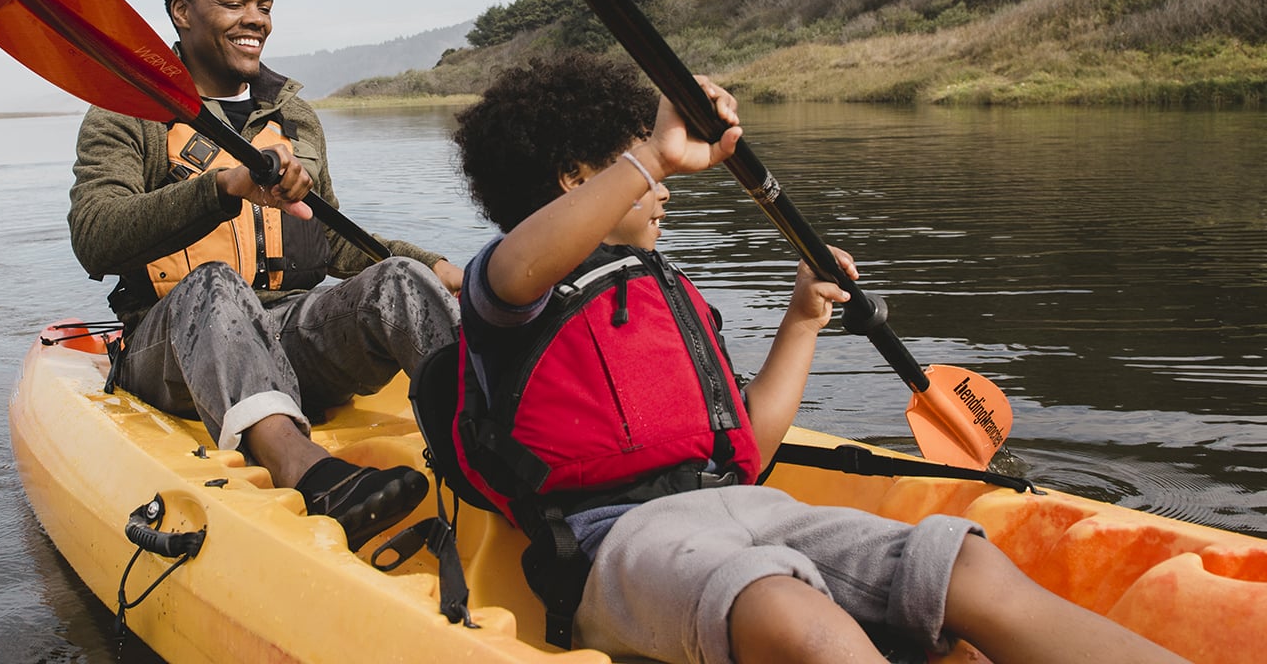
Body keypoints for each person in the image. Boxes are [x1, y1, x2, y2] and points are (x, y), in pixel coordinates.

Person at [447, 53, 1186, 663]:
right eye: (639, 166)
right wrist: (651, 158)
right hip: (616, 543)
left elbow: (748, 451)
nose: (664, 190)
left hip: (747, 508)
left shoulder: (670, 297)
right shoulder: (514, 294)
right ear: (582, 179)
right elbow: (513, 274)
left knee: (965, 564)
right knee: (789, 615)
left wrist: (802, 320)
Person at [68, 0, 462, 551]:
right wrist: (224, 186)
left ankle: (492, 446)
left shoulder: (294, 115)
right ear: (182, 12)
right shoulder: (125, 112)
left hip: (287, 330)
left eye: (265, 5)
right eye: (235, 3)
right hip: (170, 343)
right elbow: (94, 236)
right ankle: (307, 473)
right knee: (215, 284)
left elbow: (331, 239)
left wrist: (437, 267)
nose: (257, 19)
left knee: (403, 281)